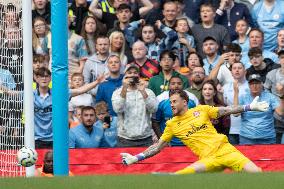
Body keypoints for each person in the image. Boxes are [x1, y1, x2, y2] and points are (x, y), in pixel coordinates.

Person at [120, 89, 269, 173]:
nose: (171, 105)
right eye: (170, 102)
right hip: (208, 159)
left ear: (184, 102)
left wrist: (248, 107)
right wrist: (136, 158)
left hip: (227, 151)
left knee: (258, 175)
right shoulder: (171, 124)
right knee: (179, 176)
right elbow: (158, 146)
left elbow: (225, 110)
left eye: (174, 101)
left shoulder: (201, 110)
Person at [112, 64, 158, 147]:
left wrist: (143, 92)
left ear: (139, 75)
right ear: (125, 76)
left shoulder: (148, 92)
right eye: (129, 73)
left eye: (135, 72)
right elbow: (118, 109)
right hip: (124, 139)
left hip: (146, 139)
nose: (132, 75)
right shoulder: (117, 92)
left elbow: (154, 109)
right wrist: (124, 89)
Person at [152, 76, 198, 146]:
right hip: (169, 145)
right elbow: (155, 122)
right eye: (173, 83)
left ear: (183, 85)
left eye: (179, 83)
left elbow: (197, 122)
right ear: (168, 86)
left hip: (188, 144)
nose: (176, 86)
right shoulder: (162, 103)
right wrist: (162, 140)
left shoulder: (191, 103)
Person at [235, 74, 279, 145]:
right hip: (247, 138)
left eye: (257, 83)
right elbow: (236, 114)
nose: (254, 86)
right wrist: (236, 92)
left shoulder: (270, 97)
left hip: (267, 138)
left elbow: (280, 112)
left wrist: (282, 95)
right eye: (252, 83)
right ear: (248, 85)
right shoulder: (243, 97)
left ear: (262, 84)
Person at [223, 62, 249, 145]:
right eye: (234, 68)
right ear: (231, 72)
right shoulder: (225, 87)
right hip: (232, 128)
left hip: (248, 129)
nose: (237, 70)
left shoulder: (251, 85)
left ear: (245, 71)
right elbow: (224, 104)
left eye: (239, 68)